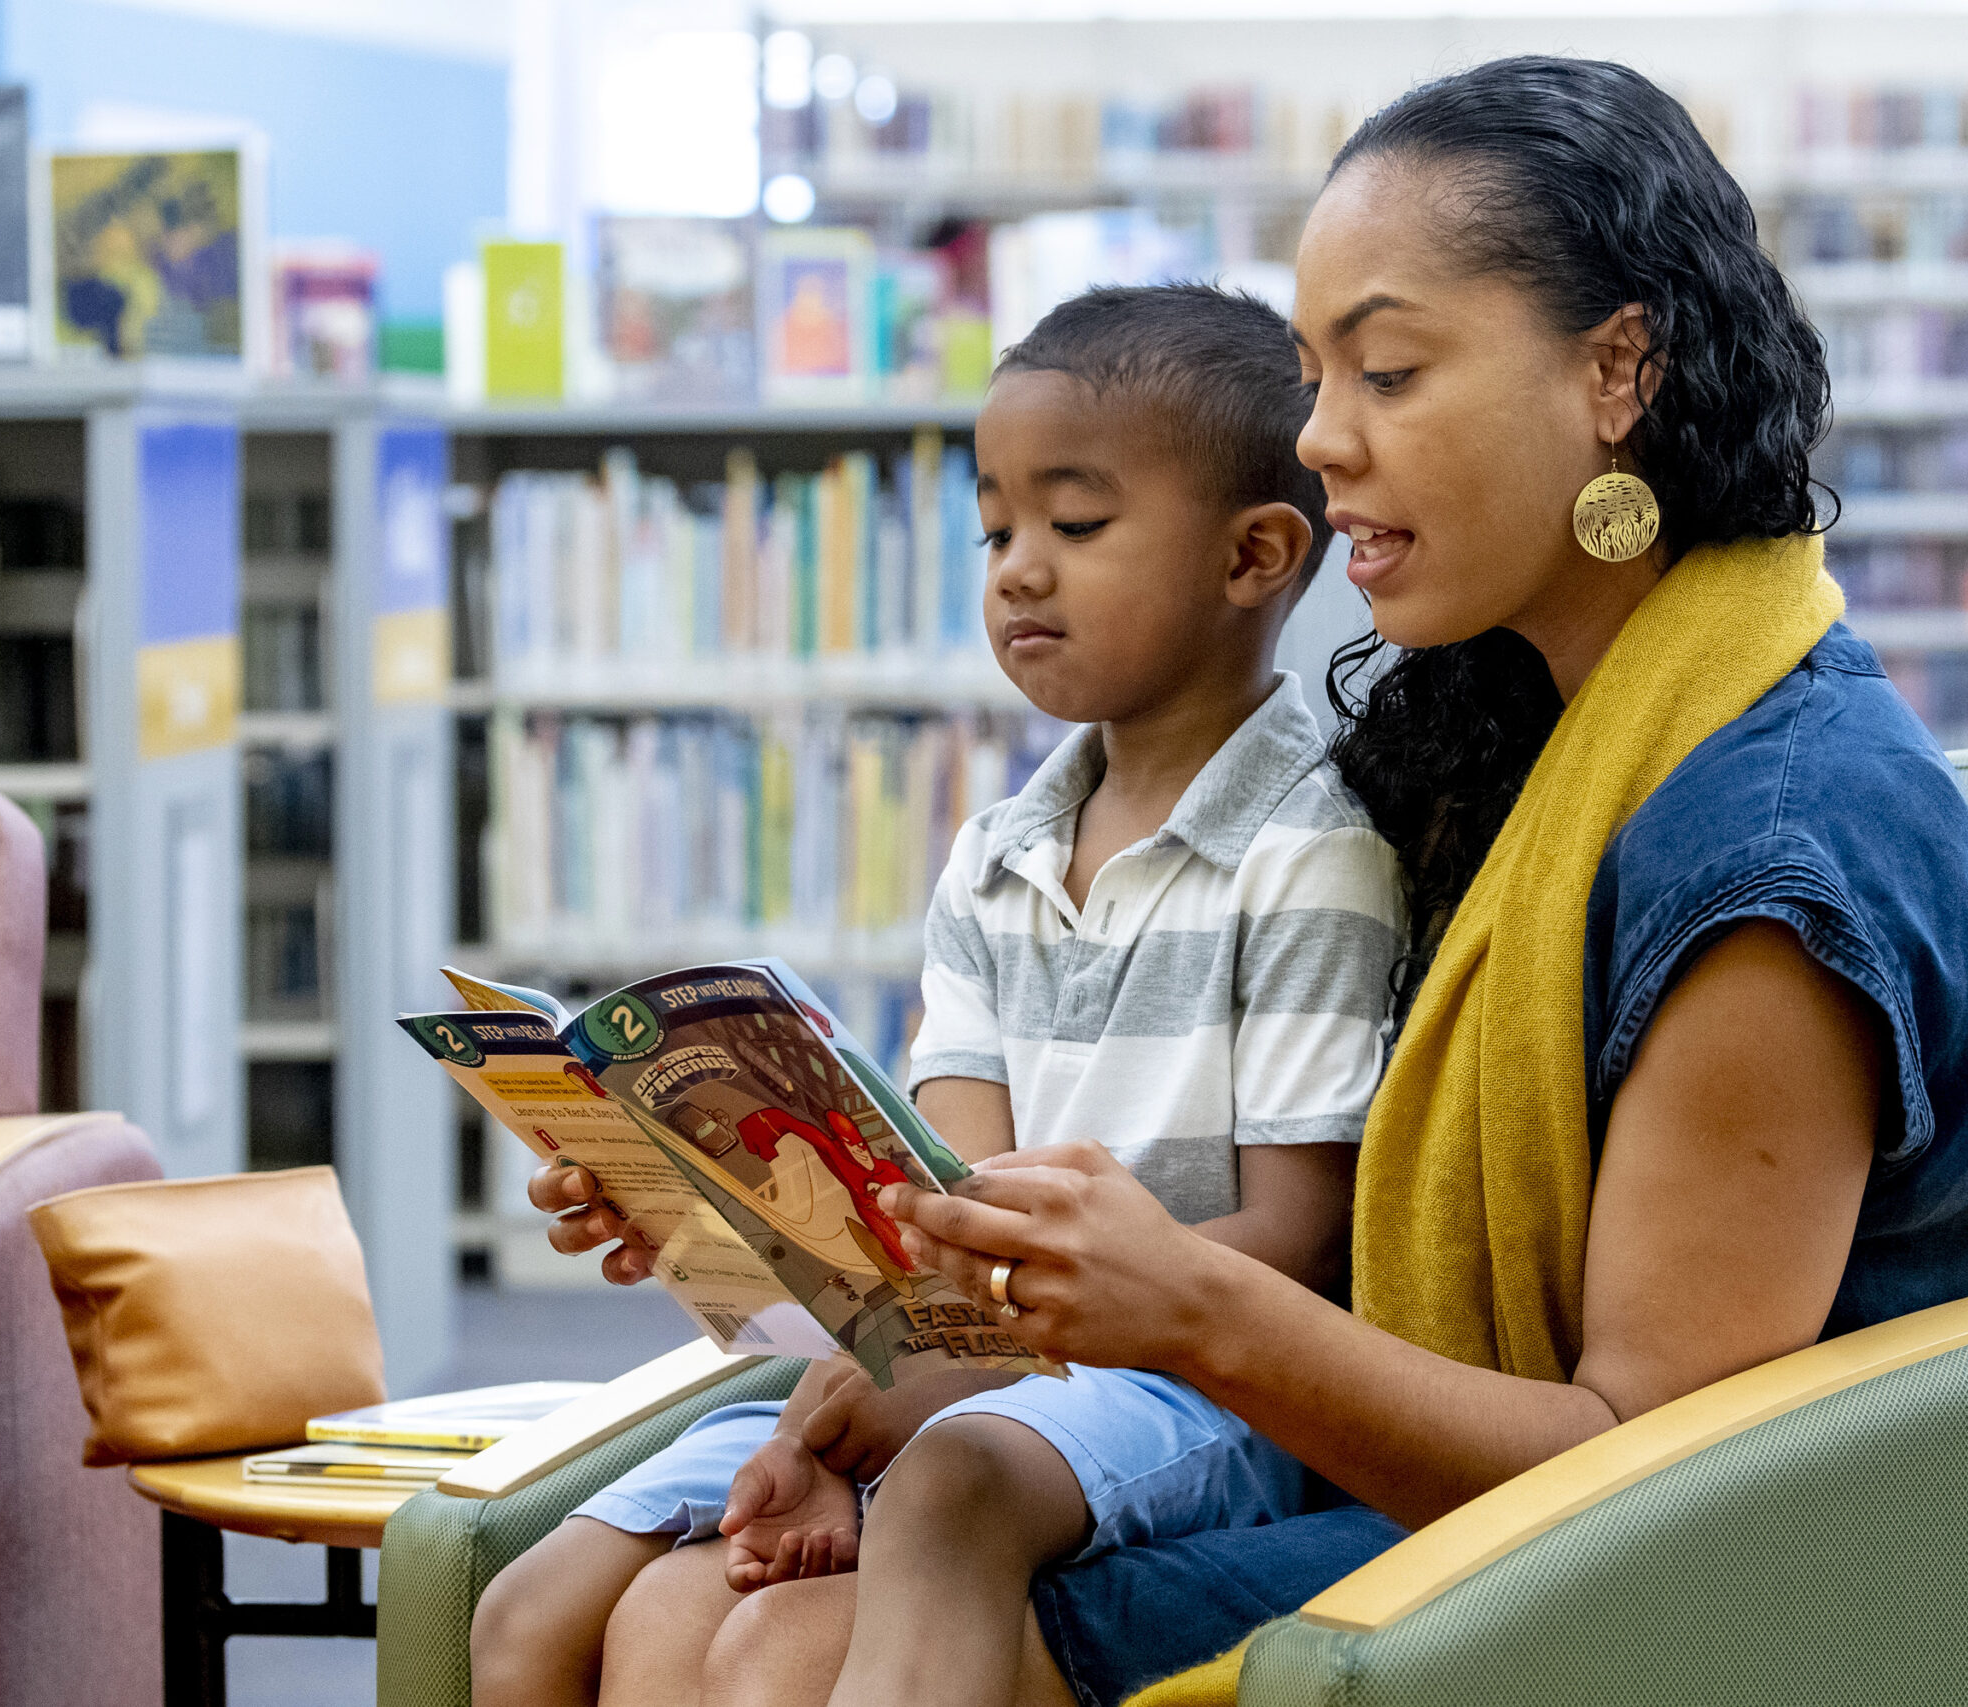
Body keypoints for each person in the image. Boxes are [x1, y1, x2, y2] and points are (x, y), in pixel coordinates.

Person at [568, 56, 1968, 1707]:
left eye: (1390, 371)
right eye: (1311, 376)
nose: (1318, 440)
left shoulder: (1774, 864)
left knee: (785, 1658)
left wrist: (1198, 1309)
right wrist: (765, 1231)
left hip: (1760, 1579)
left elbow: (1654, 1474)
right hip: (1486, 1476)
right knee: (673, 1617)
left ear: (1618, 369)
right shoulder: (1534, 732)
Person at [472, 282, 1411, 1707]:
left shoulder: (1314, 853)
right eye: (996, 531)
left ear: (1255, 556)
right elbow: (939, 1204)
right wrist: (704, 1223)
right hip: (982, 1360)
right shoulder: (995, 855)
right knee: (540, 1600)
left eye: (1076, 527)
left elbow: (1295, 1232)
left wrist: (950, 1386)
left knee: (947, 1489)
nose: (1017, 571)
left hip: (1193, 1384)